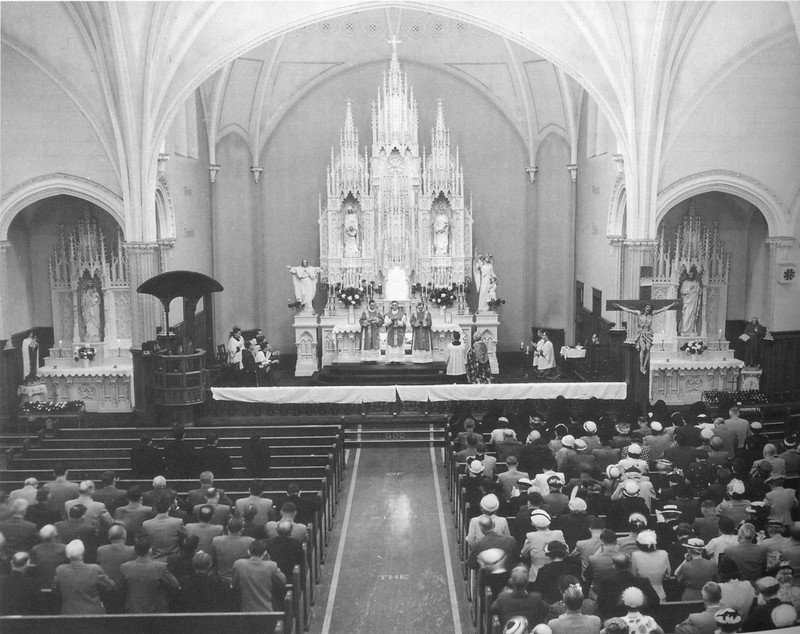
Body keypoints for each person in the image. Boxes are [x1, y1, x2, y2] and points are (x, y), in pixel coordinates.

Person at [118, 536, 180, 614]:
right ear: (150, 551)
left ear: (135, 550)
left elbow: (119, 588)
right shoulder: (160, 567)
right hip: (156, 613)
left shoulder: (125, 567)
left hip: (134, 612)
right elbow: (175, 584)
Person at [612, 302, 677, 374]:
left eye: (649, 307)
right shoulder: (639, 313)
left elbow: (663, 309)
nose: (648, 308)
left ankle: (645, 366)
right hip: (642, 333)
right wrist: (618, 306)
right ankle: (641, 365)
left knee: (648, 349)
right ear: (644, 308)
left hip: (649, 333)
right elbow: (627, 310)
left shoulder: (652, 314)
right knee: (643, 349)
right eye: (647, 307)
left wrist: (672, 305)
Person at [53, 539, 114, 614]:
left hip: (69, 616)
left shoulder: (60, 570)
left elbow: (55, 592)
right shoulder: (95, 569)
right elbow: (110, 586)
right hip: (93, 616)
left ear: (68, 555)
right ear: (83, 554)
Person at [232, 539, 286, 612]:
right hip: (267, 610)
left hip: (245, 611)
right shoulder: (271, 565)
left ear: (248, 551)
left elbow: (235, 584)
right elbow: (283, 581)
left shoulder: (238, 564)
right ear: (265, 553)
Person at [491, 565, 550, 630]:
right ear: (527, 582)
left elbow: (492, 610)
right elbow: (546, 610)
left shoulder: (503, 597)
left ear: (511, 581)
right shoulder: (536, 598)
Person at [679, 267, 703, 336]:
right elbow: (682, 291)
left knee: (693, 315)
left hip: (694, 301)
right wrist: (690, 290)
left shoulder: (696, 282)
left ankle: (692, 329)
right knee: (686, 315)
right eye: (689, 275)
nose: (690, 276)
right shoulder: (685, 282)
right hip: (687, 302)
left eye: (692, 275)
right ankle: (684, 330)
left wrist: (698, 291)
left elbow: (699, 291)